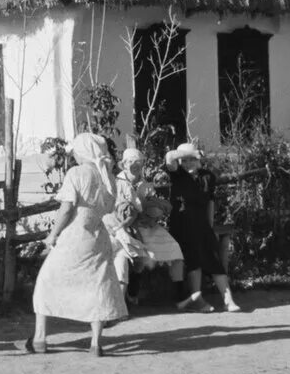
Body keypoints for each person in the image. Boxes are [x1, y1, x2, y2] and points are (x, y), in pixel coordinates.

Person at [22, 132, 127, 357]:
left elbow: (67, 208)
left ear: (83, 152)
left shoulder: (77, 173)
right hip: (97, 237)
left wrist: (52, 235)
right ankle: (96, 343)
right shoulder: (108, 177)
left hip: (75, 235)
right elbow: (108, 209)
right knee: (96, 286)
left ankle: (40, 338)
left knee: (45, 281)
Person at [105, 147, 187, 305]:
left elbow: (151, 207)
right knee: (137, 254)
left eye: (139, 162)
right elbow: (114, 209)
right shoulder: (116, 183)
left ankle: (181, 296)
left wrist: (152, 214)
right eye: (131, 162)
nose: (135, 165)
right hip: (122, 226)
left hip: (145, 225)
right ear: (123, 164)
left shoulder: (145, 184)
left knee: (175, 249)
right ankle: (132, 292)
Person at [164, 142, 240, 312]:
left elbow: (210, 202)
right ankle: (198, 300)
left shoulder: (208, 177)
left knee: (213, 259)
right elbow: (169, 158)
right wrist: (184, 153)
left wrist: (210, 226)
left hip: (202, 224)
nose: (188, 163)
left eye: (192, 159)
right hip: (182, 225)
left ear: (199, 160)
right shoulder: (177, 174)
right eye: (185, 160)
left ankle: (228, 299)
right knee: (193, 261)